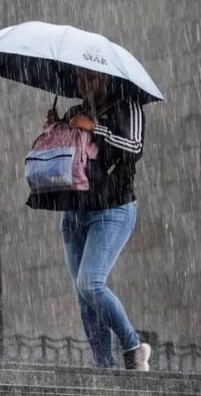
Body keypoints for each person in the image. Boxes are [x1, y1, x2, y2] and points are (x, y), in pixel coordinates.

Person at [38, 68, 151, 370]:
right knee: (84, 295)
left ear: (105, 77)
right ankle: (104, 367)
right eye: (79, 77)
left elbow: (134, 148)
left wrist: (96, 128)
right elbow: (66, 156)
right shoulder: (76, 111)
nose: (83, 82)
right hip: (75, 212)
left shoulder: (128, 106)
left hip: (113, 210)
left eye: (89, 76)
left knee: (90, 283)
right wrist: (55, 128)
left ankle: (133, 346)